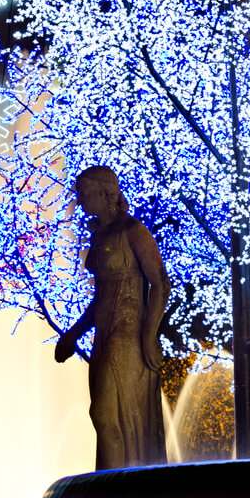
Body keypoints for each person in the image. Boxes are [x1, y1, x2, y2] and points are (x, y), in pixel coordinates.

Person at [54, 165, 171, 470]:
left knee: (104, 414)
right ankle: (112, 483)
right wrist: (73, 334)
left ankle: (115, 488)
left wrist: (149, 335)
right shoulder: (99, 237)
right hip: (103, 335)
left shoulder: (133, 231)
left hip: (127, 332)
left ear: (105, 193)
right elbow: (99, 299)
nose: (80, 200)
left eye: (85, 193)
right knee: (105, 418)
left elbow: (160, 283)